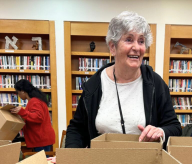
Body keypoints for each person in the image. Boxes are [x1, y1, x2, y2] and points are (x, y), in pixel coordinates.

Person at [65, 11, 181, 149]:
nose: (136, 47)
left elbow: (175, 127)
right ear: (113, 47)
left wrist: (161, 131)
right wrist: (70, 158)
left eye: (141, 41)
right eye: (129, 39)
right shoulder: (94, 85)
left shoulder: (155, 83)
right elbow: (77, 129)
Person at [10, 79, 55, 152]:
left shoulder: (34, 101)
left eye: (18, 93)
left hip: (41, 140)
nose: (19, 95)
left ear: (22, 91)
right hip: (41, 139)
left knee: (42, 162)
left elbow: (38, 117)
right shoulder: (35, 100)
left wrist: (22, 112)